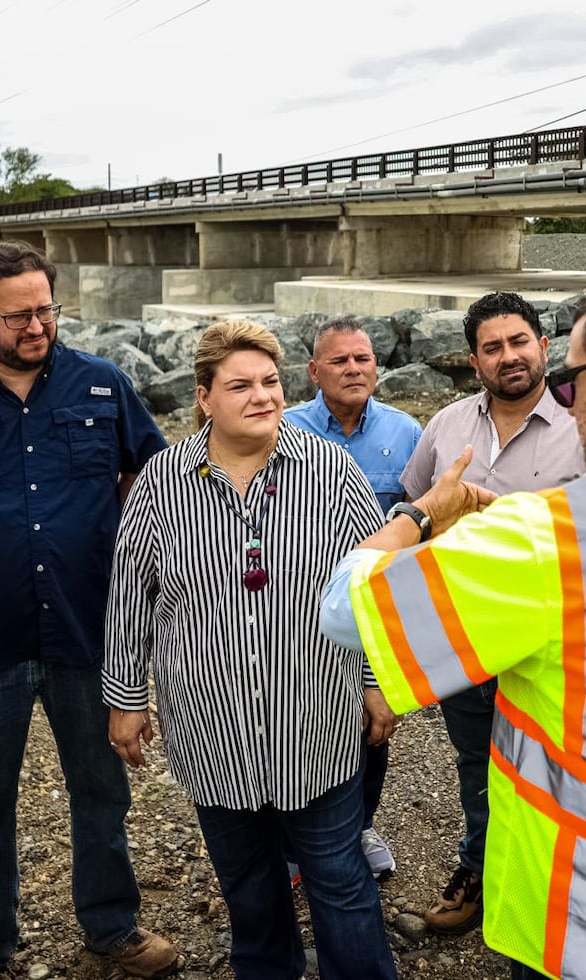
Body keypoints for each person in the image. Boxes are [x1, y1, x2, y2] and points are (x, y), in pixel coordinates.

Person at [321, 275, 586, 979]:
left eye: (571, 378)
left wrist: (418, 517)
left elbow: (345, 608)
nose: (568, 395)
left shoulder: (558, 532)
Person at [0, 241, 176, 980]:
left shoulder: (103, 386)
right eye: (18, 315)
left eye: (46, 309)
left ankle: (112, 930)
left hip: (89, 637)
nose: (36, 326)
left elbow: (149, 482)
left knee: (102, 793)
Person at [104, 320, 398, 980]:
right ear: (204, 396)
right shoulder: (160, 484)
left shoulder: (332, 472)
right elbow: (129, 599)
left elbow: (375, 588)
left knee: (341, 884)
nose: (262, 396)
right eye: (240, 385)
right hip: (212, 733)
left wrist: (378, 680)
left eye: (271, 382)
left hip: (315, 724)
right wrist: (125, 700)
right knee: (250, 889)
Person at [398, 291, 584, 935]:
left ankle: (552, 889)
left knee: (557, 765)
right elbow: (415, 508)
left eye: (519, 342)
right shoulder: (446, 427)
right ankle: (479, 871)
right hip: (465, 634)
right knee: (477, 760)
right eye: (493, 348)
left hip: (556, 643)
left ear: (544, 344)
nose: (509, 357)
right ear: (473, 360)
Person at [285, 317, 421, 878]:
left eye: (362, 359)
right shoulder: (285, 430)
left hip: (375, 615)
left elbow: (421, 520)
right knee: (300, 727)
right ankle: (293, 845)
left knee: (374, 728)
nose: (353, 369)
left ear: (376, 367)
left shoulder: (407, 433)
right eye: (339, 361)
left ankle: (358, 828)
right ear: (315, 371)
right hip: (298, 613)